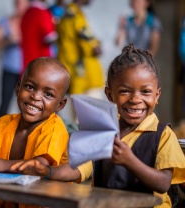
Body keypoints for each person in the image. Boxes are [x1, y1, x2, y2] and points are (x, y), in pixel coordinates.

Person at [11, 44, 185, 208]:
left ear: (157, 95)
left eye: (145, 92)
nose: (135, 99)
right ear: (110, 95)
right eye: (125, 91)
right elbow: (77, 169)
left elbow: (162, 183)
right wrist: (47, 171)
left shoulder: (163, 135)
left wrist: (129, 161)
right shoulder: (103, 132)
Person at [0, 57, 92, 208]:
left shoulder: (54, 128)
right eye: (30, 87)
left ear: (60, 104)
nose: (35, 97)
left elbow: (37, 168)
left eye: (48, 94)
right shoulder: (4, 123)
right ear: (18, 88)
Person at [57, 0, 104, 97]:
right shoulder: (75, 15)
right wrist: (96, 46)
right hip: (84, 76)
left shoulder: (66, 13)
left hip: (73, 73)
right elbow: (89, 44)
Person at [0, 0, 29, 120]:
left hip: (28, 69)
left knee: (28, 105)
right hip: (10, 68)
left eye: (23, 3)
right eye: (17, 3)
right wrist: (9, 40)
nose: (19, 6)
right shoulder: (6, 21)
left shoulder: (33, 21)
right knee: (4, 103)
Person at [21, 0, 58, 75]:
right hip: (42, 65)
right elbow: (50, 37)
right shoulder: (42, 13)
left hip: (27, 64)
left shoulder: (27, 12)